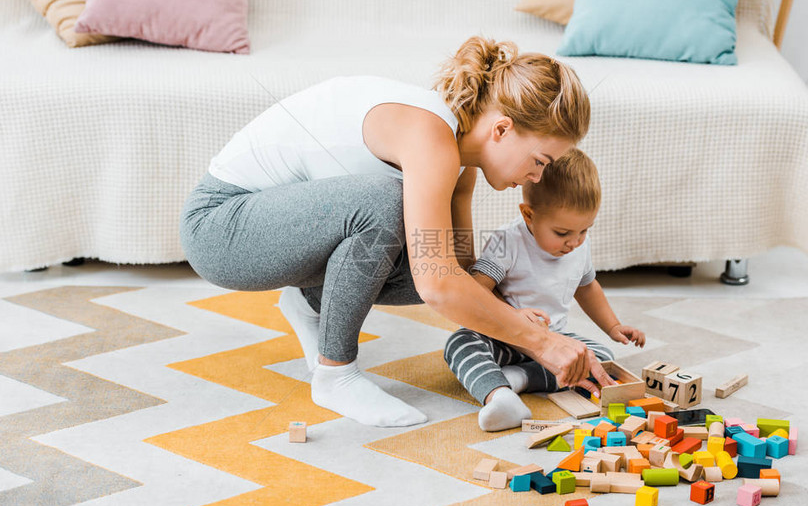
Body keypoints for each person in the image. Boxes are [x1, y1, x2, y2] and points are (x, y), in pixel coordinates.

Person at [179, 35, 614, 428]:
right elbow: (439, 287)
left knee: (425, 248)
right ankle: (335, 375)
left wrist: (508, 314)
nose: (538, 178)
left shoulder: (458, 156)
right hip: (220, 229)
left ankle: (309, 300)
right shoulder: (430, 135)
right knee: (388, 204)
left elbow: (457, 270)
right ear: (501, 129)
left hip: (277, 233)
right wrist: (542, 343)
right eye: (539, 161)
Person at [444, 149, 646, 431]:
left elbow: (587, 288)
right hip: (502, 337)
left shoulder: (578, 246)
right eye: (562, 233)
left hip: (554, 339)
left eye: (584, 230)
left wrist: (613, 326)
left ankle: (516, 379)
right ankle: (499, 396)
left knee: (601, 356)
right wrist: (514, 316)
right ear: (529, 215)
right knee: (460, 343)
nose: (574, 242)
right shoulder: (507, 241)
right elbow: (477, 289)